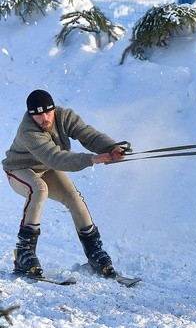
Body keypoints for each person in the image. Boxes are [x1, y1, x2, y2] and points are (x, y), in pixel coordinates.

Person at [2, 89, 128, 277]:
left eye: (48, 112)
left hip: (46, 168)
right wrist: (91, 159)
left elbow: (89, 135)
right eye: (38, 115)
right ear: (31, 115)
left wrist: (112, 148)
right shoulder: (28, 130)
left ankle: (94, 251)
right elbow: (55, 158)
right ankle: (24, 252)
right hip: (19, 169)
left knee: (73, 198)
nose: (45, 118)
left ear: (54, 109)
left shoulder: (64, 116)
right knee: (39, 189)